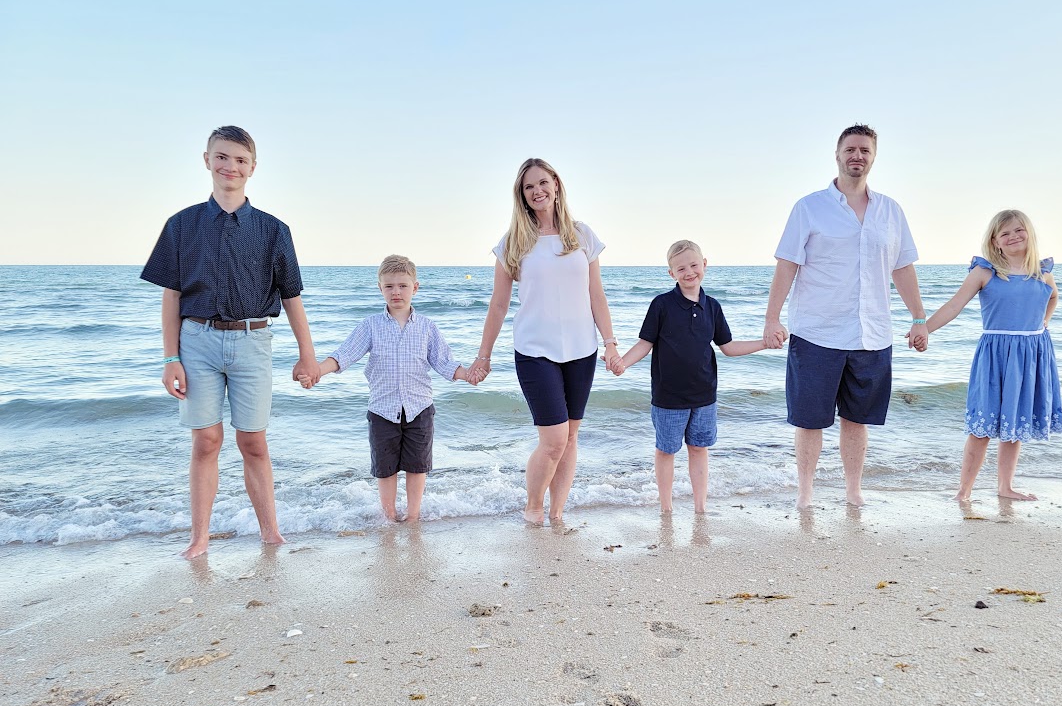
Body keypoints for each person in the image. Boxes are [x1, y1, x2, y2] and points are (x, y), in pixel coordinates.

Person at [141, 125, 320, 559]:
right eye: (222, 157)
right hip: (196, 341)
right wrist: (170, 358)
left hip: (252, 341)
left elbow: (291, 296)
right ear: (207, 161)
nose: (230, 167)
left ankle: (271, 533)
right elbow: (172, 296)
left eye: (240, 160)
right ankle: (199, 539)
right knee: (206, 441)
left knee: (253, 442)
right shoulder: (181, 225)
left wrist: (307, 355)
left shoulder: (274, 230)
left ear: (253, 168)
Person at [763, 124, 929, 508]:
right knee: (809, 420)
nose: (858, 156)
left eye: (865, 150)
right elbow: (787, 265)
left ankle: (853, 492)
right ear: (837, 154)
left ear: (873, 157)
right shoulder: (809, 207)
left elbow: (902, 268)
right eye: (851, 149)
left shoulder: (891, 211)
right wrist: (772, 319)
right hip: (816, 331)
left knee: (858, 419)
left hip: (873, 334)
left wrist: (919, 319)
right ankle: (805, 494)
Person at [470, 158, 622, 525]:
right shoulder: (514, 243)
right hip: (535, 351)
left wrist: (611, 343)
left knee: (570, 439)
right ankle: (533, 507)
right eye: (528, 187)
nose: (537, 191)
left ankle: (557, 513)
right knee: (553, 440)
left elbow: (596, 295)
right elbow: (498, 304)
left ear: (556, 184)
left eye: (542, 182)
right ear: (521, 196)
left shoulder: (582, 235)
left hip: (581, 350)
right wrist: (483, 355)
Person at [297, 255, 473, 521]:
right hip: (382, 409)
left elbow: (443, 362)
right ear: (380, 288)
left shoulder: (427, 327)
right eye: (389, 286)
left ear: (415, 287)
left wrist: (467, 374)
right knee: (385, 468)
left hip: (420, 408)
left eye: (402, 285)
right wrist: (316, 371)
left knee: (417, 466)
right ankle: (389, 515)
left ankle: (413, 514)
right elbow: (344, 355)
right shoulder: (370, 325)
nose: (396, 292)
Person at [615, 240, 772, 513]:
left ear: (704, 265)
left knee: (699, 449)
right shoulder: (661, 305)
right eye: (681, 268)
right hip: (668, 397)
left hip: (704, 396)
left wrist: (764, 343)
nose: (689, 272)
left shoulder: (713, 306)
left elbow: (729, 348)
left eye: (694, 265)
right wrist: (622, 364)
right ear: (671, 273)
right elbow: (644, 343)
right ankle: (666, 508)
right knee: (666, 451)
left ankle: (700, 507)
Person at [924, 209, 1062, 501]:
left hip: (1032, 353)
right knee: (982, 427)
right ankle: (964, 491)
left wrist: (1044, 322)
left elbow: (1052, 297)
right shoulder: (985, 271)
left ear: (1029, 233)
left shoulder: (1042, 271)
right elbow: (954, 306)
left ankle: (1005, 487)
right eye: (1005, 233)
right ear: (995, 240)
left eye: (1018, 230)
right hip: (996, 355)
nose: (1013, 237)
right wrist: (923, 329)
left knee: (1015, 424)